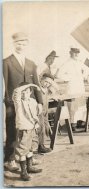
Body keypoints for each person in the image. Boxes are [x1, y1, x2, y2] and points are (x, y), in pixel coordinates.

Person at [3, 32, 43, 172]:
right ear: (13, 44)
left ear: (27, 44)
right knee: (13, 131)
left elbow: (36, 83)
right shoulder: (6, 62)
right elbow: (5, 84)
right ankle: (10, 159)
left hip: (30, 105)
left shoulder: (31, 63)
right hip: (13, 104)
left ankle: (27, 158)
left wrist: (39, 102)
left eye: (23, 43)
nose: (21, 46)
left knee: (29, 132)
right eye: (18, 43)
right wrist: (9, 103)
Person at [12, 82, 43, 181]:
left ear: (30, 92)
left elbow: (34, 114)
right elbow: (17, 91)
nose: (24, 94)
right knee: (22, 151)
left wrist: (36, 124)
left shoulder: (33, 101)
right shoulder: (18, 102)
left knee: (30, 148)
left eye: (26, 91)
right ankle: (23, 172)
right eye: (23, 92)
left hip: (32, 128)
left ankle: (29, 167)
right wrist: (32, 85)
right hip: (23, 129)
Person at [55, 47, 89, 131]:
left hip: (80, 86)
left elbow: (87, 69)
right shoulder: (67, 63)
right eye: (74, 53)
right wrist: (69, 78)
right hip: (72, 86)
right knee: (72, 105)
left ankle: (80, 122)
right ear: (70, 53)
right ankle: (72, 123)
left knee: (81, 103)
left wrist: (83, 76)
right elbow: (59, 74)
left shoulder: (79, 62)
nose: (76, 54)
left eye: (78, 53)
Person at [32, 73, 59, 154]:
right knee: (40, 128)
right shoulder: (37, 89)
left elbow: (56, 88)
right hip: (39, 111)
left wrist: (52, 96)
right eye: (46, 82)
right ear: (41, 79)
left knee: (45, 127)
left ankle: (42, 144)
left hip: (45, 111)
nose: (47, 84)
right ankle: (40, 146)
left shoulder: (46, 89)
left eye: (49, 83)